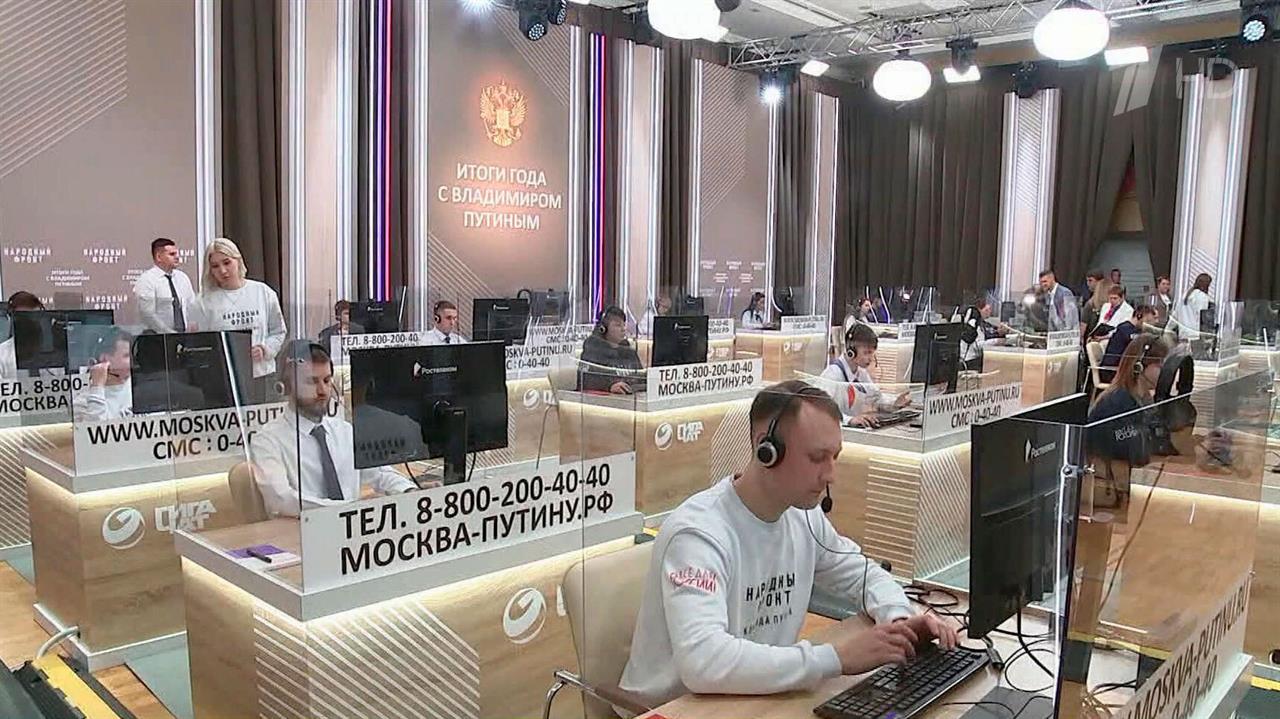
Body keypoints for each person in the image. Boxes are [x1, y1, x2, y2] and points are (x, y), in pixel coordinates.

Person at [618, 381, 958, 709]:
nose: (831, 475)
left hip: (752, 699)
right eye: (817, 457)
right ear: (766, 451)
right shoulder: (699, 534)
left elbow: (864, 574)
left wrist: (898, 620)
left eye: (835, 457)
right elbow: (703, 661)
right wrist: (836, 658)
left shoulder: (803, 516)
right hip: (670, 708)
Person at [249, 343, 421, 516]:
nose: (323, 391)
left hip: (352, 526)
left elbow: (381, 474)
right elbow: (280, 500)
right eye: (312, 382)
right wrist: (350, 508)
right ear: (286, 387)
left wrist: (410, 492)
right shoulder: (267, 440)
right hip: (301, 529)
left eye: (326, 381)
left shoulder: (344, 431)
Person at [191, 237, 287, 399]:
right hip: (224, 379)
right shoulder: (202, 302)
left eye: (227, 262)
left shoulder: (262, 292)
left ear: (238, 260)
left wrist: (265, 349)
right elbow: (201, 345)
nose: (223, 270)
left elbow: (278, 331)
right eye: (215, 266)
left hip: (262, 376)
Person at [818, 324, 909, 425]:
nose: (870, 358)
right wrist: (849, 420)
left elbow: (876, 398)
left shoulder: (861, 373)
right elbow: (820, 410)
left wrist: (894, 403)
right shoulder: (832, 375)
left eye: (872, 353)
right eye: (866, 353)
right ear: (851, 352)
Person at [133, 237, 196, 334]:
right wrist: (169, 333)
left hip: (185, 336)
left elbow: (192, 306)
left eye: (177, 253)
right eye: (172, 254)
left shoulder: (183, 278)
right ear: (159, 257)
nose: (177, 257)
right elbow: (148, 314)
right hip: (157, 337)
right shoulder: (147, 280)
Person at [72, 328, 134, 423]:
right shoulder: (82, 403)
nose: (133, 361)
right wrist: (97, 387)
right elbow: (95, 429)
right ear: (105, 358)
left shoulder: (141, 389)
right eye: (127, 355)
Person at [580, 305, 644, 394]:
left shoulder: (629, 352)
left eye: (624, 325)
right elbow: (585, 381)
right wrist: (609, 387)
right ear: (603, 329)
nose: (623, 329)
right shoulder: (592, 350)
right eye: (618, 325)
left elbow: (642, 378)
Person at [1098, 305, 1156, 383]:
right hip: (1112, 370)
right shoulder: (1124, 329)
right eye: (1147, 321)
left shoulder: (1139, 331)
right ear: (1139, 316)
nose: (1148, 326)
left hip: (1124, 369)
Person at [0, 291, 45, 378]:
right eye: (24, 318)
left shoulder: (59, 354)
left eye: (34, 317)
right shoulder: (2, 357)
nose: (29, 325)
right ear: (11, 319)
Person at [1174, 273, 1212, 341]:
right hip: (1195, 336)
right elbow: (1203, 318)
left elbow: (1175, 315)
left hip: (1183, 335)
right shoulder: (1203, 297)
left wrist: (1167, 330)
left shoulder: (1185, 295)